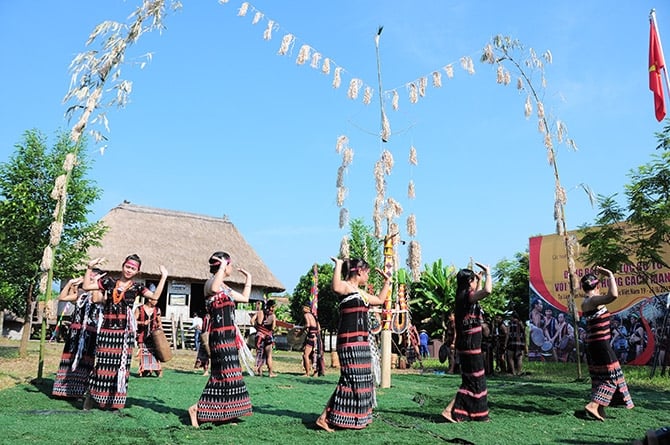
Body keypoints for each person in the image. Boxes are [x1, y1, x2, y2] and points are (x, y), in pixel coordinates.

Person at [316, 257, 392, 432]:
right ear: (359, 271)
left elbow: (380, 300)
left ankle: (351, 417)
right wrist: (339, 265)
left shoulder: (361, 293)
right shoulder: (345, 286)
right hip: (349, 341)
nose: (368, 276)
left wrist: (387, 282)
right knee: (350, 378)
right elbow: (335, 286)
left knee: (363, 379)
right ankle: (325, 417)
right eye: (367, 272)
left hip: (362, 341)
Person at [82, 255, 168, 410]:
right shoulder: (109, 282)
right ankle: (93, 397)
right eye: (128, 267)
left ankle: (115, 402)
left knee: (121, 368)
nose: (129, 270)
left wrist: (163, 277)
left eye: (133, 269)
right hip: (107, 330)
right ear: (123, 266)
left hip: (125, 333)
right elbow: (87, 286)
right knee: (102, 364)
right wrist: (89, 267)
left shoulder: (137, 287)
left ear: (137, 271)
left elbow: (155, 297)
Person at [189, 251, 253, 428]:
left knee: (232, 375)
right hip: (219, 337)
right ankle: (197, 409)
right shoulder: (211, 283)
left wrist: (249, 278)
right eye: (229, 265)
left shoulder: (226, 287)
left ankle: (225, 414)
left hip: (230, 336)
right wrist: (224, 265)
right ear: (224, 265)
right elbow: (215, 289)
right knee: (223, 374)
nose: (231, 268)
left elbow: (245, 298)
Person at [581, 266, 634, 421]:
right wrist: (610, 274)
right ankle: (593, 404)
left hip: (593, 344)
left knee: (600, 375)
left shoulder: (585, 302)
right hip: (601, 344)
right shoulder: (593, 300)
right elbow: (614, 295)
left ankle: (600, 409)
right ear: (597, 286)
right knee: (612, 376)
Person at [441, 262, 492, 423]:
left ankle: (476, 415)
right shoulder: (467, 297)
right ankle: (450, 410)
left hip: (469, 344)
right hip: (470, 345)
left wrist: (478, 278)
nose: (476, 283)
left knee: (476, 380)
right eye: (474, 281)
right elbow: (487, 291)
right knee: (473, 381)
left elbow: (476, 294)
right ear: (469, 282)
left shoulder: (463, 297)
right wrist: (488, 273)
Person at [52, 275, 102, 399]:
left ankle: (80, 390)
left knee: (86, 360)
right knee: (70, 358)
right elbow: (62, 297)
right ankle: (62, 390)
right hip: (75, 333)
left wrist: (95, 284)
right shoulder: (80, 296)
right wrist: (70, 283)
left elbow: (95, 298)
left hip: (90, 334)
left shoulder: (100, 296)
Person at [134, 294, 164, 377]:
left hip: (154, 337)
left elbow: (159, 322)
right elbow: (133, 321)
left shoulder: (157, 310)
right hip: (142, 335)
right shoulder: (139, 309)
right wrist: (143, 323)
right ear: (149, 300)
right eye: (155, 300)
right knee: (144, 353)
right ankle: (144, 369)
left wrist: (160, 329)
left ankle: (157, 370)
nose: (156, 302)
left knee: (155, 354)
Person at [253, 299, 277, 377]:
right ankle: (270, 373)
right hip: (268, 336)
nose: (273, 309)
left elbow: (251, 321)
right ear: (270, 307)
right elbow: (273, 328)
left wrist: (258, 328)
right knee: (269, 355)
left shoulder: (259, 313)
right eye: (273, 307)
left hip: (259, 335)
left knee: (260, 353)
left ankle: (260, 372)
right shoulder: (273, 316)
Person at [302, 303, 324, 377]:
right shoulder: (314, 316)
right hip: (316, 337)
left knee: (305, 355)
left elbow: (308, 324)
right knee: (314, 355)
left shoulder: (306, 315)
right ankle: (316, 372)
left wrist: (302, 329)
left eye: (303, 307)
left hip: (311, 337)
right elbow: (319, 329)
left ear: (307, 308)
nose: (302, 309)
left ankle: (307, 373)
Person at [506, 311, 527, 376]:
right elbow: (524, 333)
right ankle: (519, 372)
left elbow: (508, 334)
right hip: (520, 343)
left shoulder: (510, 323)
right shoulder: (521, 323)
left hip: (512, 342)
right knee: (519, 358)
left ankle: (513, 372)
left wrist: (505, 343)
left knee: (510, 357)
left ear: (512, 317)